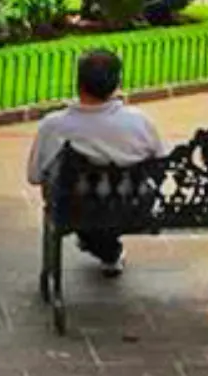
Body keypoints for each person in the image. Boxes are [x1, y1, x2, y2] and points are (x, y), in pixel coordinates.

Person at [27, 50, 165, 276]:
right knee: (108, 198)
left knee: (83, 197)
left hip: (75, 210)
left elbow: (34, 176)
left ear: (78, 84)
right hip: (133, 207)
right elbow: (159, 161)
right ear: (117, 84)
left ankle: (103, 247)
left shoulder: (53, 126)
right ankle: (107, 249)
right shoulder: (140, 122)